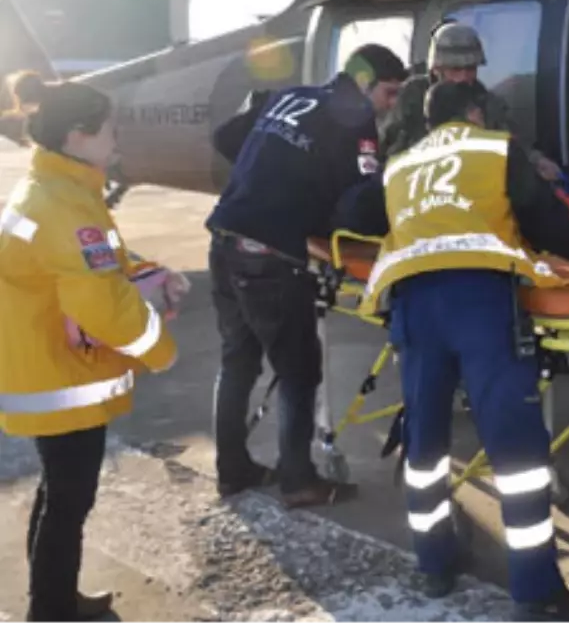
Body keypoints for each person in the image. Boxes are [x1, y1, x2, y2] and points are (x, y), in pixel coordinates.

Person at [358, 79, 569, 623]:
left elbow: (355, 211)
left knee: (425, 439)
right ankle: (536, 593)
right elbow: (543, 224)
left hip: (414, 306)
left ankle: (435, 562)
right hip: (480, 305)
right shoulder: (496, 147)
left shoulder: (401, 162)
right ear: (473, 111)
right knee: (515, 452)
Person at [0, 75, 182, 623]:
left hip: (48, 367)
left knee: (59, 496)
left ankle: (52, 602)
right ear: (79, 136)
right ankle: (52, 613)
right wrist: (161, 350)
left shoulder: (59, 191)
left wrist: (153, 272)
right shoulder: (63, 203)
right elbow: (102, 302)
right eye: (111, 130)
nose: (117, 140)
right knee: (68, 503)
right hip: (60, 378)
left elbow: (107, 260)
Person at [204, 43, 405, 507]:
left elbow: (227, 138)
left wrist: (273, 174)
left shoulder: (289, 97)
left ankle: (232, 470)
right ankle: (299, 480)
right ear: (363, 82)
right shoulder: (355, 119)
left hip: (225, 236)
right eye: (389, 93)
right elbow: (361, 205)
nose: (390, 105)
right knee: (298, 371)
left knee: (238, 361)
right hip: (272, 255)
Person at [380, 21, 564, 180]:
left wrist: (538, 161)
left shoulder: (486, 101)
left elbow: (513, 143)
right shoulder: (413, 95)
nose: (463, 77)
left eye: (470, 69)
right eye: (455, 70)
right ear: (436, 68)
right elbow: (390, 148)